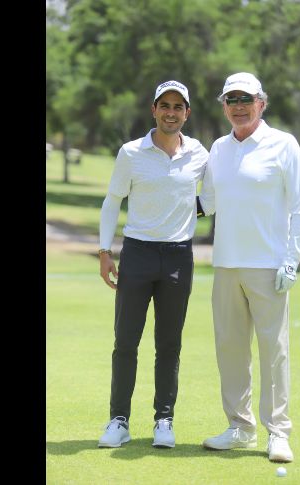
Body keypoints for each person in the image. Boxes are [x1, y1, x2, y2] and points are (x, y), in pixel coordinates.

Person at [198, 72, 300, 463]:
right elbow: (206, 202)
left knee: (273, 351)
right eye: (232, 100)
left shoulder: (284, 144)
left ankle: (277, 432)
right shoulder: (218, 148)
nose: (239, 106)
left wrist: (291, 261)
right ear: (224, 106)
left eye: (246, 98)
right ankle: (240, 427)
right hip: (226, 264)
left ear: (262, 102)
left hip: (269, 265)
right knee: (230, 350)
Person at [96, 80, 209, 449]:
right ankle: (119, 420)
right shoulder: (131, 153)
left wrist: (184, 211)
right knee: (125, 341)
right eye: (165, 105)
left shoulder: (199, 154)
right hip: (138, 253)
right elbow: (112, 201)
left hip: (179, 257)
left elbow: (213, 198)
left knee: (169, 344)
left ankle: (164, 419)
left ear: (187, 113)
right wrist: (104, 251)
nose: (171, 113)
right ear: (154, 109)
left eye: (178, 107)